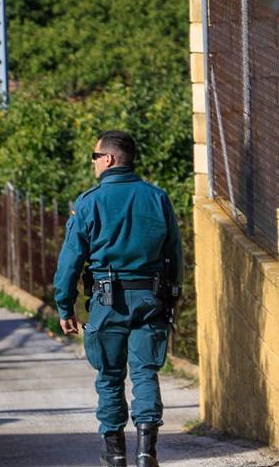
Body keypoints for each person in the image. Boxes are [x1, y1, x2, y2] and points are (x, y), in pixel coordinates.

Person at [54, 131, 184, 467]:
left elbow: (70, 261)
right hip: (151, 297)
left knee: (110, 376)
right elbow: (175, 255)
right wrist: (172, 294)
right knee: (145, 373)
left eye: (95, 157)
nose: (93, 164)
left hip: (108, 299)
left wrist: (64, 305)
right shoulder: (157, 198)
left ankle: (114, 455)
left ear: (109, 159)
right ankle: (146, 452)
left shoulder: (89, 202)